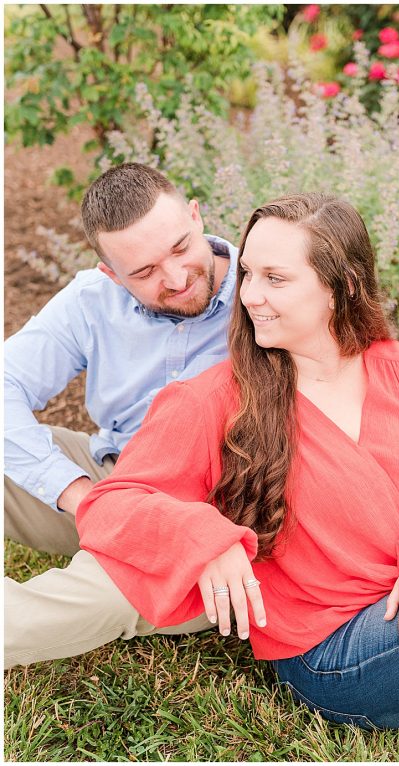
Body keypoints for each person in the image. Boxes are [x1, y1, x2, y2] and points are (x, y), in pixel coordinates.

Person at [75, 193, 399, 729]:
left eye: (275, 279)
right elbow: (113, 504)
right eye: (248, 274)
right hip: (337, 652)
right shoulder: (215, 401)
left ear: (342, 286)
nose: (251, 295)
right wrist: (207, 541)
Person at [4, 163, 237, 668]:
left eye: (179, 249)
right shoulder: (92, 298)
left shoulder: (264, 293)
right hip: (110, 477)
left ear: (196, 216)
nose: (175, 278)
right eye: (144, 272)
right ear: (112, 273)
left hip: (206, 521)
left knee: (73, 608)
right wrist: (81, 495)